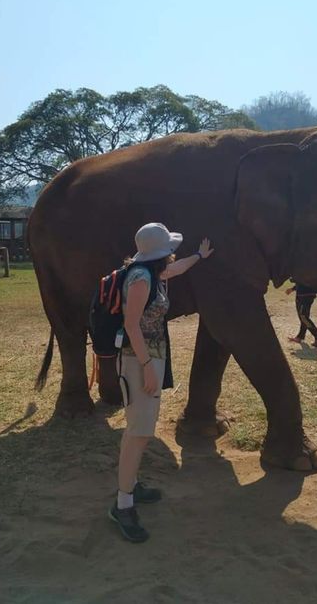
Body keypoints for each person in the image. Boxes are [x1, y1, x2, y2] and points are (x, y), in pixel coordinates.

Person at [109, 222, 214, 543]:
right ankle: (122, 504)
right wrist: (147, 367)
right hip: (138, 359)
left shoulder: (153, 273)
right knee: (139, 432)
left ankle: (132, 485)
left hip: (147, 357)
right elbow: (131, 324)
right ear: (161, 252)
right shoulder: (141, 279)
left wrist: (199, 255)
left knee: (139, 428)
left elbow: (177, 269)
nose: (173, 255)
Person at [286, 283, 317, 349]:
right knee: (303, 317)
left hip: (305, 296)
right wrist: (293, 289)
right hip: (303, 295)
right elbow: (301, 279)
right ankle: (300, 336)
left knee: (303, 317)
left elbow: (304, 279)